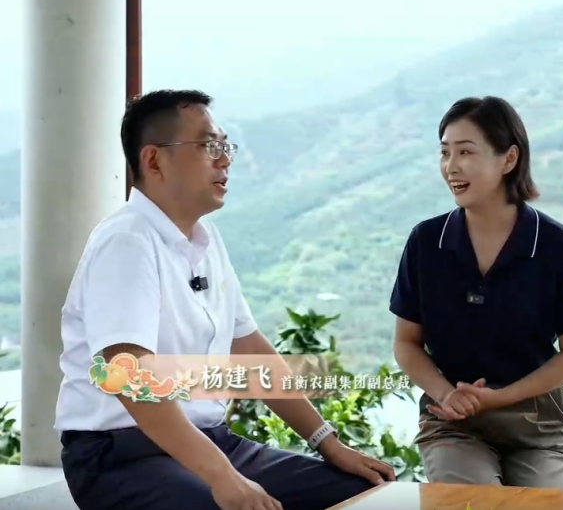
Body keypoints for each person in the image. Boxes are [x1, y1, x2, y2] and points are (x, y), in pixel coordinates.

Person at [55, 89, 395, 510]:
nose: (224, 160)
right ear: (154, 160)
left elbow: (249, 349)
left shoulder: (206, 239)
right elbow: (129, 375)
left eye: (224, 146)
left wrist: (328, 442)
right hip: (122, 455)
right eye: (208, 146)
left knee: (366, 492)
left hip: (211, 442)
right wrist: (222, 476)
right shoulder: (127, 241)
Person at [390, 96, 563, 488]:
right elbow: (406, 343)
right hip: (454, 423)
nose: (451, 166)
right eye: (445, 152)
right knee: (472, 504)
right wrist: (445, 394)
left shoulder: (554, 244)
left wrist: (502, 397)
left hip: (539, 427)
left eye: (466, 152)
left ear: (509, 159)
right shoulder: (426, 242)